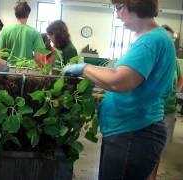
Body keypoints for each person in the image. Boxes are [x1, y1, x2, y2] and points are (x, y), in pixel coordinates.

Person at [63, 0, 175, 179]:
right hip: (131, 130)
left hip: (135, 132)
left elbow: (119, 81)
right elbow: (121, 74)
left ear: (135, 4)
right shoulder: (153, 38)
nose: (117, 14)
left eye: (119, 7)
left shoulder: (150, 41)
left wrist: (85, 69)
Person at [148, 24, 183, 180]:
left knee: (158, 149)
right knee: (145, 147)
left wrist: (175, 91)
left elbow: (181, 78)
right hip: (150, 109)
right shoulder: (151, 56)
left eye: (171, 39)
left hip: (167, 110)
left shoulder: (175, 60)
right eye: (166, 38)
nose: (169, 41)